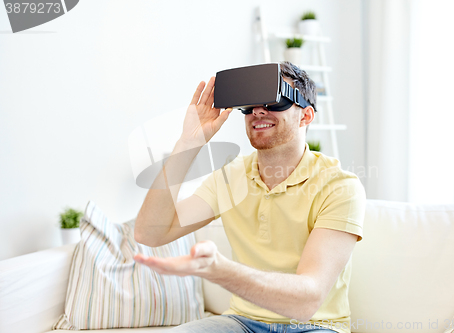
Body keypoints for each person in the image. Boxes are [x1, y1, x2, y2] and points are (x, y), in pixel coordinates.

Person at [133, 62, 366, 333]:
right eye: (251, 104)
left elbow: (307, 301)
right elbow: (149, 233)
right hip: (240, 323)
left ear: (306, 116)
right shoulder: (230, 177)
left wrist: (219, 269)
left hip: (315, 326)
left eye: (274, 100)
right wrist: (188, 144)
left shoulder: (339, 186)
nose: (258, 111)